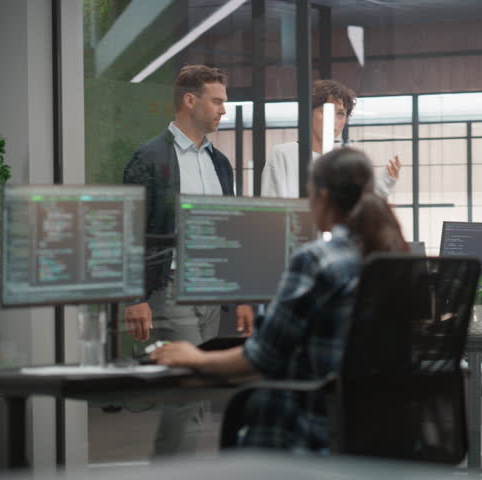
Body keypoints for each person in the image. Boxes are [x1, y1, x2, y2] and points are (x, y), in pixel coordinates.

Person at [151, 148, 408, 451]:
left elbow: (261, 357)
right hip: (368, 436)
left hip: (302, 435)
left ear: (322, 198)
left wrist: (196, 357)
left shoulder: (316, 261)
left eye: (310, 195)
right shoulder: (393, 261)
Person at [123, 64, 254, 457]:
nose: (223, 111)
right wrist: (134, 296)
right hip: (169, 288)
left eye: (225, 103)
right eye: (217, 101)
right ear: (189, 100)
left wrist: (242, 293)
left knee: (195, 396)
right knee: (187, 392)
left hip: (210, 289)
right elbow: (130, 230)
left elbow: (231, 232)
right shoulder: (148, 158)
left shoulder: (220, 164)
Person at [261, 80, 401, 198]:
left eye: (340, 114)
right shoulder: (284, 154)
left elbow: (355, 206)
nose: (332, 120)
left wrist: (385, 181)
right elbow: (272, 207)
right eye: (325, 112)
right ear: (308, 113)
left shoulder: (343, 163)